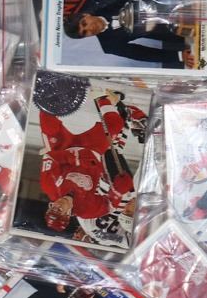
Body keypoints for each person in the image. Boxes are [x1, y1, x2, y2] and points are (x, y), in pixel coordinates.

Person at [38, 94, 142, 234]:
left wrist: (75, 158)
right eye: (59, 211)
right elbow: (111, 204)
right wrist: (118, 191)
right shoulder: (87, 210)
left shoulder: (49, 186)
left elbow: (50, 157)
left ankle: (50, 93)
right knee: (114, 125)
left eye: (53, 209)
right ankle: (104, 99)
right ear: (68, 215)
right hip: (91, 149)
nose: (57, 206)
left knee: (48, 123)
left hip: (63, 147)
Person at [63, 0, 189, 69]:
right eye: (85, 33)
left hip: (177, 4)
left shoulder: (105, 4)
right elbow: (142, 54)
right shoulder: (109, 45)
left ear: (86, 15)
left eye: (84, 23)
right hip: (177, 33)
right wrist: (179, 56)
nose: (90, 29)